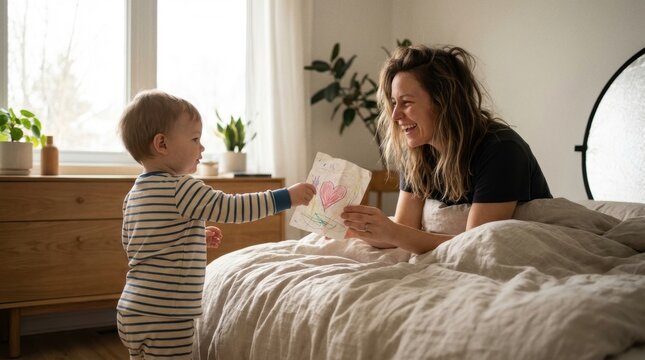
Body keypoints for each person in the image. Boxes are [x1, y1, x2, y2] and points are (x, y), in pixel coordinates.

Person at [116, 89, 316, 359]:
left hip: (132, 308)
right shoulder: (182, 187)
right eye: (195, 139)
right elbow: (233, 208)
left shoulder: (134, 194)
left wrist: (193, 234)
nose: (202, 148)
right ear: (162, 144)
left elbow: (138, 244)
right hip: (168, 315)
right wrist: (286, 197)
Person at [341, 45, 552, 254]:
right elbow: (405, 228)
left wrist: (394, 232)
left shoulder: (502, 150)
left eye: (406, 102)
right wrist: (357, 228)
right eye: (394, 103)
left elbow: (477, 245)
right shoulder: (418, 153)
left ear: (443, 103)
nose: (395, 116)